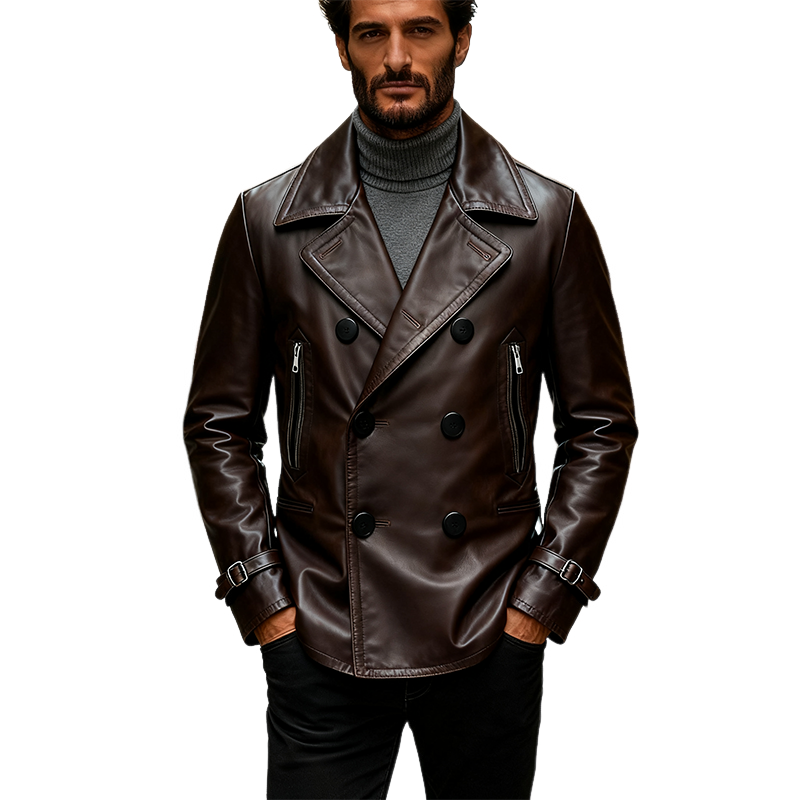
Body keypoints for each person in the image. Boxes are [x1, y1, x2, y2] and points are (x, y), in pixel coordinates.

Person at [183, 1, 638, 797]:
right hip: (324, 621)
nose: (397, 57)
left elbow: (600, 425)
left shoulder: (545, 219)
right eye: (372, 33)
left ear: (462, 40)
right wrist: (265, 601)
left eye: (421, 29)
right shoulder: (267, 220)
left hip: (487, 619)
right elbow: (219, 424)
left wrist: (542, 600)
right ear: (342, 48)